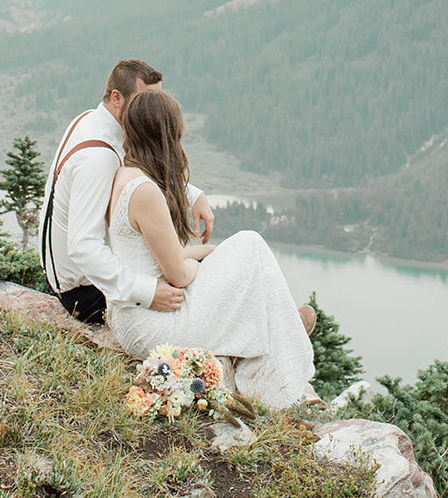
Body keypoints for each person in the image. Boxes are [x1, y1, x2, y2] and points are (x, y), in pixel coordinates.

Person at [106, 88, 316, 410]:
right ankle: (285, 338)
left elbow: (148, 260)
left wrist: (199, 255)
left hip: (132, 314)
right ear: (166, 136)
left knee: (231, 254)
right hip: (153, 324)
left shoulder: (124, 175)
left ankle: (282, 324)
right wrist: (199, 263)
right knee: (250, 244)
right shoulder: (146, 192)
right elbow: (178, 275)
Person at [40, 59, 215, 324]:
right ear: (117, 98)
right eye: (145, 99)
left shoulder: (92, 120)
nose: (153, 108)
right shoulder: (98, 157)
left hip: (83, 281)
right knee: (206, 274)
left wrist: (193, 194)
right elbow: (83, 246)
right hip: (85, 294)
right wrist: (146, 292)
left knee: (210, 256)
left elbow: (137, 172)